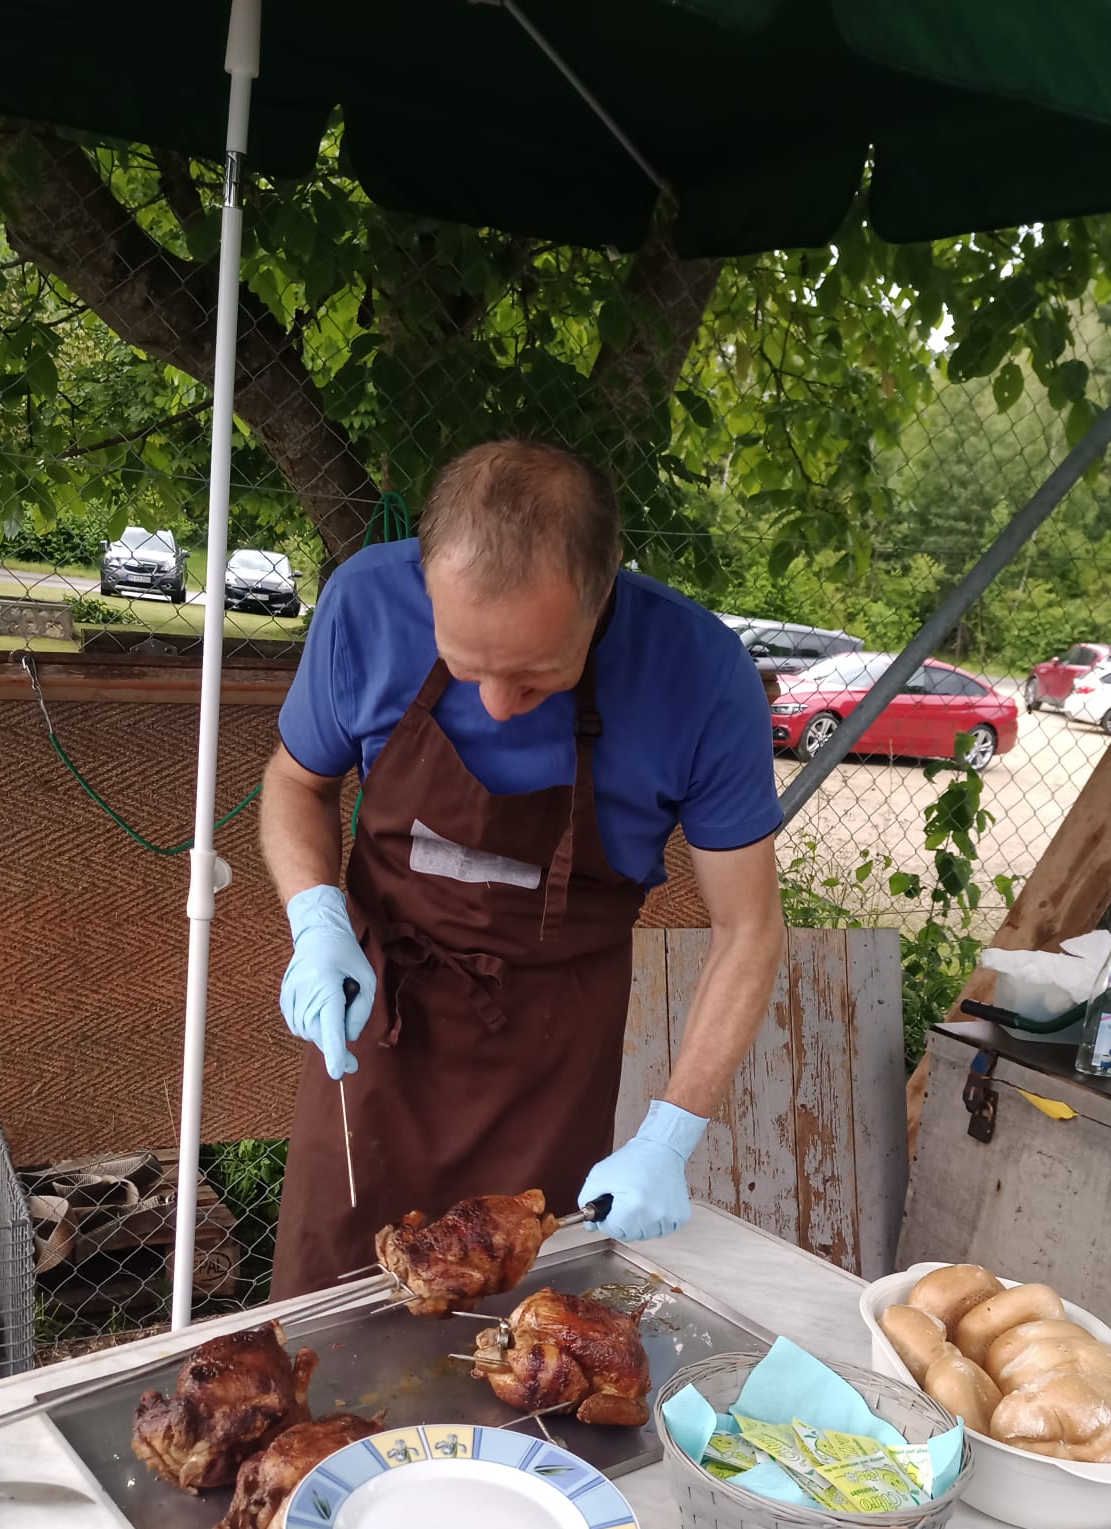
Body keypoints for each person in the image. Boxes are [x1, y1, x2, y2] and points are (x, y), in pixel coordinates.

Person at [261, 440, 785, 1297]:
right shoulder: (365, 606)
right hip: (379, 1021)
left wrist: (671, 1133)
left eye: (539, 678)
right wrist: (315, 918)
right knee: (327, 1302)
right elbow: (296, 782)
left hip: (554, 1049)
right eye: (467, 670)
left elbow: (749, 929)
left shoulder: (700, 676)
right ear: (427, 584)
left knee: (527, 1327)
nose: (500, 707)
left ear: (603, 588)